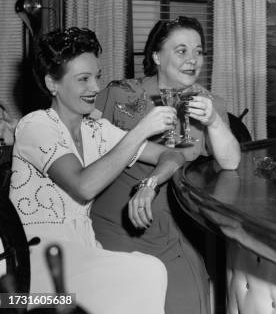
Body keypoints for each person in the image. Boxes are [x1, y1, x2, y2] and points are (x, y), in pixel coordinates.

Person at [10, 27, 173, 314]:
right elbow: (84, 186)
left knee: (143, 277)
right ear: (52, 83)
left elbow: (171, 156)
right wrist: (140, 131)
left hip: (84, 255)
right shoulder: (35, 126)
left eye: (96, 77)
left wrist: (149, 185)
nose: (96, 88)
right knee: (147, 272)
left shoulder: (97, 130)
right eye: (83, 79)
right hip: (35, 272)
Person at [91, 16, 241, 314]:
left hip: (175, 226)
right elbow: (81, 137)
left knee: (186, 302)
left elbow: (231, 161)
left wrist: (212, 121)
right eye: (182, 50)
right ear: (157, 56)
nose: (193, 60)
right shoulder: (120, 93)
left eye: (198, 51)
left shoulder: (209, 103)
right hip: (116, 222)